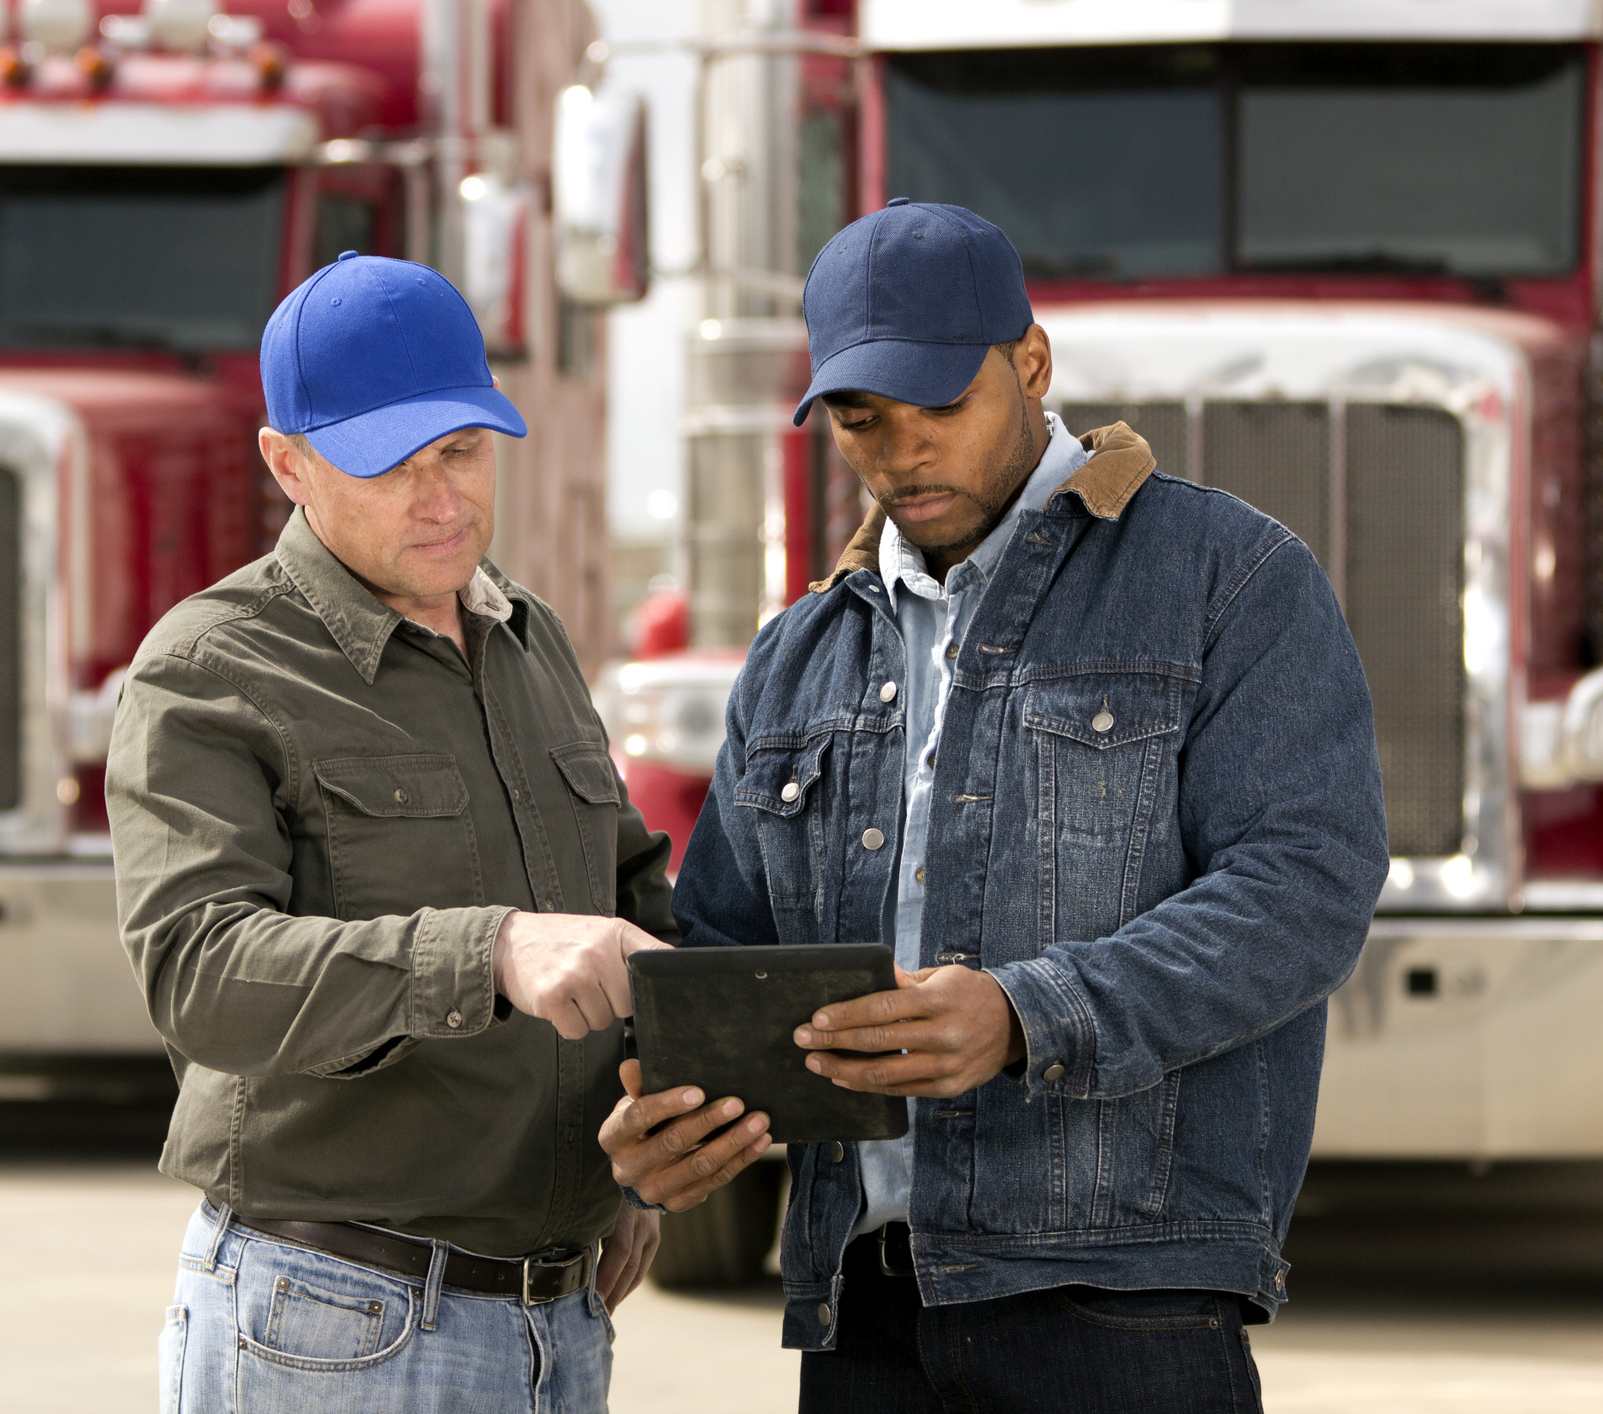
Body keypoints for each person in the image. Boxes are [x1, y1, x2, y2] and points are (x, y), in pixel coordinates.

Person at [600, 200, 1388, 1412]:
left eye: (942, 408)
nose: (902, 452)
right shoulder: (797, 654)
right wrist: (667, 1112)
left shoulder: (1228, 578)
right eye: (862, 420)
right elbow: (726, 947)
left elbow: (1305, 888)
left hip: (1127, 1304)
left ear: (1031, 365)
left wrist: (1027, 1015)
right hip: (860, 1309)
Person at [108, 251, 676, 1413]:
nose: (443, 497)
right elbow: (198, 970)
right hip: (331, 1327)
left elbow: (629, 904)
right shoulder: (211, 666)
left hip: (560, 1322)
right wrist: (490, 950)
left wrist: (646, 1151)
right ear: (291, 464)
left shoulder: (532, 644)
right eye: (390, 464)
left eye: (462, 452)